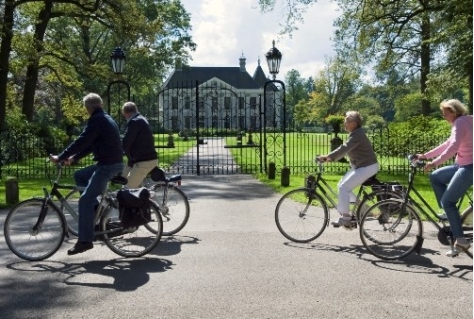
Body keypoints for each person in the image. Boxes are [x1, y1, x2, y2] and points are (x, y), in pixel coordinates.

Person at [51, 93, 124, 255]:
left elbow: (82, 141)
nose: (86, 111)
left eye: (85, 109)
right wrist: (74, 158)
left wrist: (60, 157)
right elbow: (91, 144)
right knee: (80, 176)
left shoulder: (97, 120)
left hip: (108, 165)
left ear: (89, 108)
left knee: (84, 200)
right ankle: (96, 212)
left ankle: (85, 240)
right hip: (110, 163)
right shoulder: (105, 118)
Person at [415, 99, 473, 256]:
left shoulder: (461, 122)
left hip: (469, 167)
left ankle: (461, 239)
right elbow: (448, 143)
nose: (444, 117)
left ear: (454, 112)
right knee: (436, 177)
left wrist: (433, 163)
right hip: (461, 164)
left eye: (445, 114)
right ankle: (450, 215)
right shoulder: (466, 120)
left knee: (448, 201)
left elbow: (453, 147)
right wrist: (425, 156)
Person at [317, 111, 379, 229]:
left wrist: (328, 157)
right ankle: (363, 208)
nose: (344, 122)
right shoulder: (356, 133)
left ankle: (346, 218)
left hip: (367, 167)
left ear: (354, 124)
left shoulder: (357, 135)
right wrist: (330, 157)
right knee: (342, 184)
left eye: (347, 120)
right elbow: (345, 149)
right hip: (362, 166)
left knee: (344, 187)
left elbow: (344, 148)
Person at [121, 101, 158, 188]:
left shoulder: (135, 122)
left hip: (144, 161)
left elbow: (126, 142)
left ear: (125, 113)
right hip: (139, 159)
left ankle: (147, 200)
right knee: (120, 177)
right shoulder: (140, 119)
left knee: (127, 188)